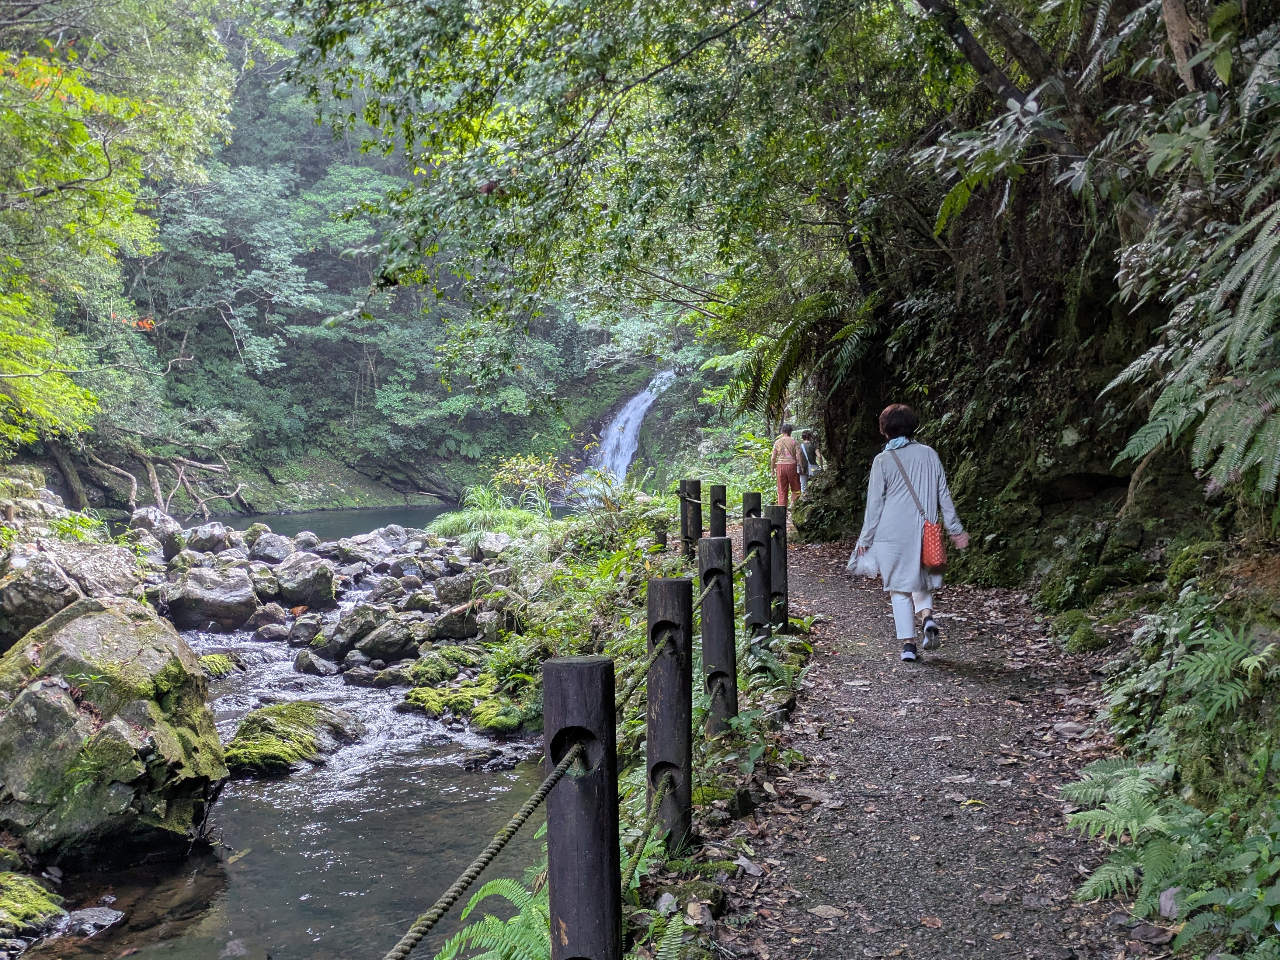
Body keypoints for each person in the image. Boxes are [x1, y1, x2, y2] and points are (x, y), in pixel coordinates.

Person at [850, 404, 970, 662]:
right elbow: (943, 496)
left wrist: (866, 538)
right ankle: (927, 618)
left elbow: (875, 505)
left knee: (900, 589)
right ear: (913, 426)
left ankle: (908, 645)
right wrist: (955, 529)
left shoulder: (882, 460)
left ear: (885, 431)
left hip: (892, 534)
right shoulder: (929, 454)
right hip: (925, 530)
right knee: (920, 578)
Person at [770, 423, 802, 508]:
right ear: (790, 431)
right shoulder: (794, 441)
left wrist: (772, 470)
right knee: (796, 488)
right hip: (792, 465)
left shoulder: (777, 442)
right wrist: (801, 466)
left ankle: (782, 512)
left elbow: (773, 458)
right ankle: (794, 507)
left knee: (781, 491)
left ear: (782, 431)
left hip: (780, 466)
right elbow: (799, 455)